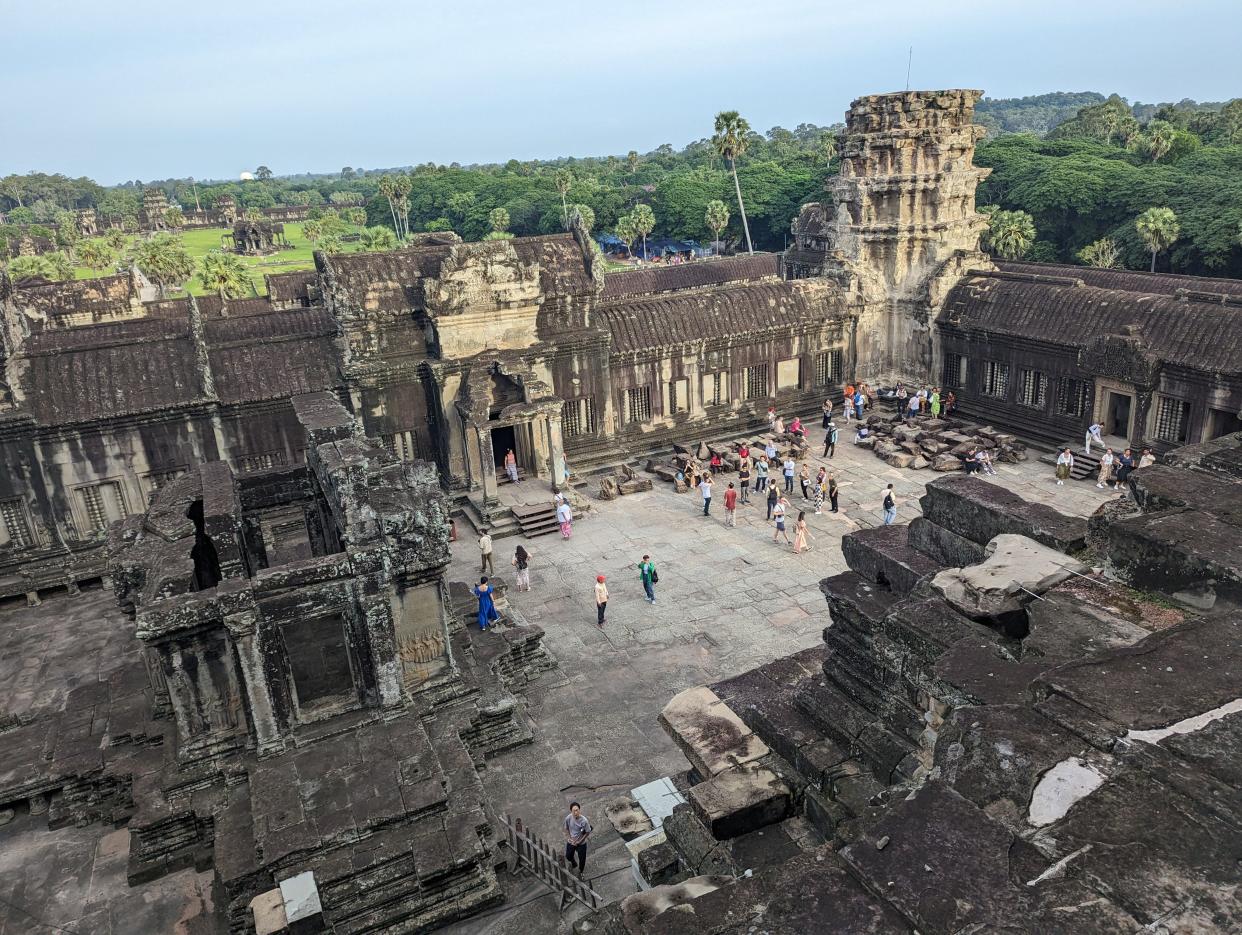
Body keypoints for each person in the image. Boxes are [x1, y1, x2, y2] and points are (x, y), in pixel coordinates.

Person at [564, 802, 592, 877]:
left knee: (582, 859)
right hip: (572, 841)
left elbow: (588, 832)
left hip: (581, 843)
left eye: (577, 810)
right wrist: (569, 839)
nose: (576, 812)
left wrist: (580, 841)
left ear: (579, 810)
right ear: (571, 811)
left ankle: (580, 871)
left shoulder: (584, 821)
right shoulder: (568, 818)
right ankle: (574, 863)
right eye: (574, 811)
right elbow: (566, 829)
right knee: (568, 856)